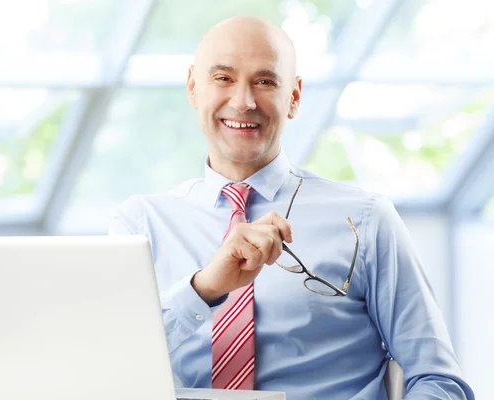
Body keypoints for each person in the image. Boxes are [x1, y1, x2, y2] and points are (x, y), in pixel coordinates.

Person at [109, 16, 474, 399]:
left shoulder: (366, 221)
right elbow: (106, 366)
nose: (243, 102)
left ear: (294, 97)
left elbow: (438, 380)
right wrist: (203, 289)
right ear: (193, 88)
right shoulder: (140, 226)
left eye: (265, 82)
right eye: (223, 78)